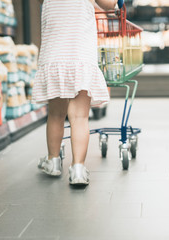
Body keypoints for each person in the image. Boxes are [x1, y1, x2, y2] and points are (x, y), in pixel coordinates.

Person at [32, 0, 117, 185]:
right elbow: (109, 4)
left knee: (55, 115)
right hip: (80, 56)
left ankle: (53, 161)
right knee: (79, 117)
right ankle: (78, 169)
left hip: (55, 57)